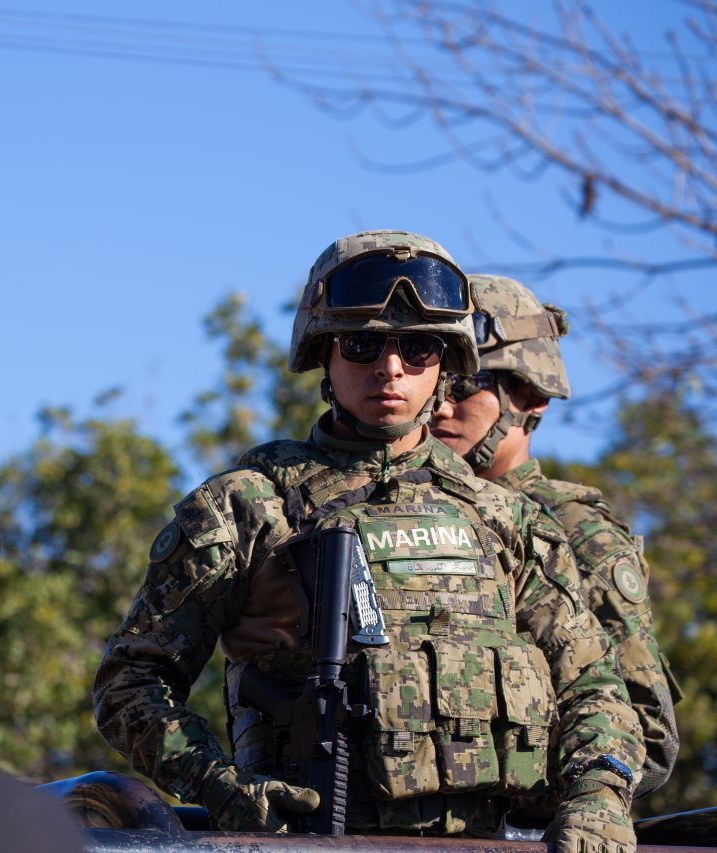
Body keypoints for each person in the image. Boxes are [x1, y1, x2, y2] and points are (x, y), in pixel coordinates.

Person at [92, 231, 643, 852]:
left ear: (447, 363)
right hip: (305, 845)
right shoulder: (250, 506)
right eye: (362, 345)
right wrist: (217, 785)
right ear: (323, 355)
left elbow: (594, 688)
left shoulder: (506, 519)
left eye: (417, 347)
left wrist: (599, 798)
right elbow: (132, 682)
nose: (391, 368)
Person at [431, 273, 681, 797]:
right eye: (435, 383)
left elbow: (649, 738)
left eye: (465, 386)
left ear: (530, 395)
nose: (440, 407)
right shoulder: (406, 517)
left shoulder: (575, 531)